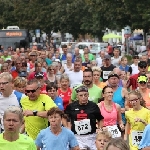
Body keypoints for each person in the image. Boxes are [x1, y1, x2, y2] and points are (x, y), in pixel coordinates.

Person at [65, 85, 104, 150]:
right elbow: (64, 117)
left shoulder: (93, 106)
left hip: (92, 136)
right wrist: (67, 127)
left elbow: (100, 119)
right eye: (81, 95)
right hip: (77, 137)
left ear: (88, 95)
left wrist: (100, 129)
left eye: (85, 95)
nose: (83, 97)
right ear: (77, 96)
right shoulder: (71, 106)